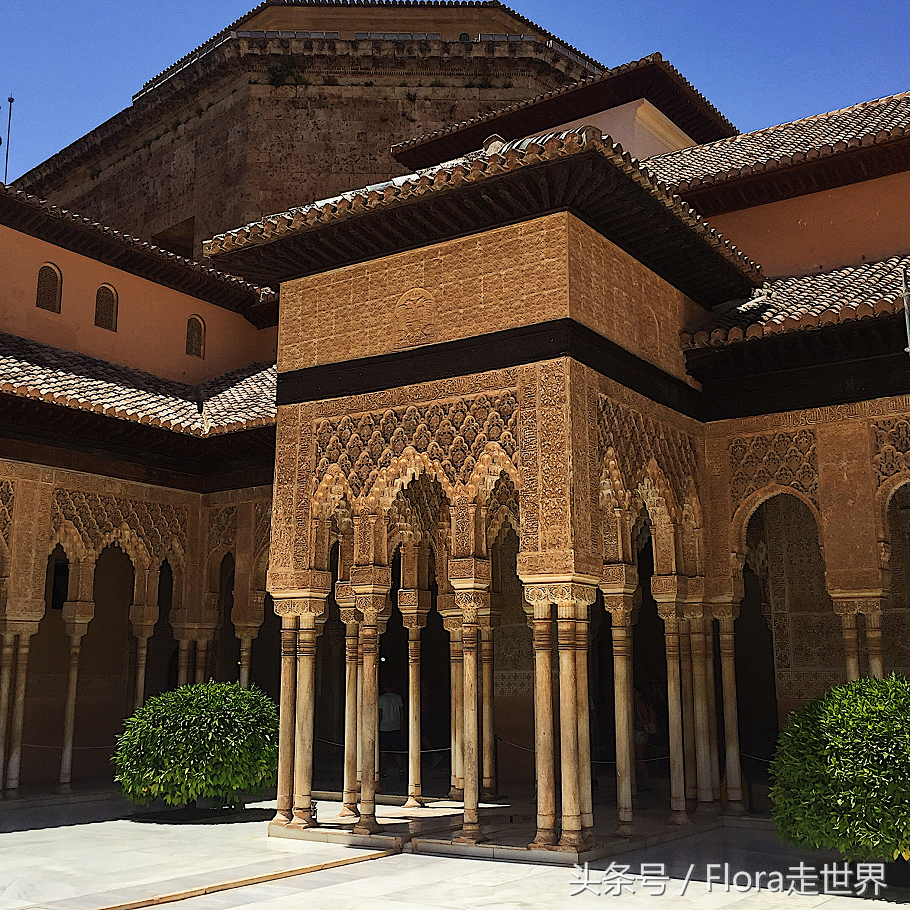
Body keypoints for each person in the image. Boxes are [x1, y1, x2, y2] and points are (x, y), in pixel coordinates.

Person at [378, 681, 405, 780]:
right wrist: (402, 726)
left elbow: (380, 714)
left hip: (384, 727)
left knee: (383, 751)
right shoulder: (398, 698)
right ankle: (401, 770)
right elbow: (401, 713)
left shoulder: (381, 698)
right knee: (397, 750)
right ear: (393, 687)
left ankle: (383, 772)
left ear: (384, 687)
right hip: (396, 726)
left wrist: (378, 725)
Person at [633, 687, 655, 790]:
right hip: (638, 732)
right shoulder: (636, 704)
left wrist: (635, 723)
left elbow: (647, 719)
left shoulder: (640, 704)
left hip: (640, 733)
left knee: (640, 759)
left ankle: (646, 782)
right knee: (637, 759)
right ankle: (641, 782)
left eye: (635, 691)